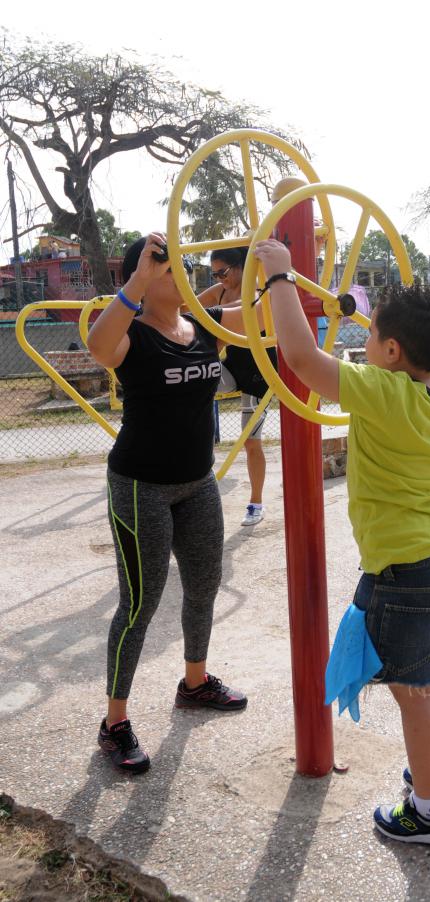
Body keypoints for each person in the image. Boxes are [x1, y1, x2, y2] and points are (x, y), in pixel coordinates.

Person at [254, 237, 430, 846]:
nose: (363, 343)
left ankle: (429, 813)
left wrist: (281, 278)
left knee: (416, 693)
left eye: (370, 335)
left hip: (408, 570)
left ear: (391, 350)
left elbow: (300, 358)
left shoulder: (380, 391)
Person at [87, 232, 256, 774]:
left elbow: (261, 316)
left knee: (204, 586)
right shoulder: (131, 334)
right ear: (144, 279)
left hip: (197, 483)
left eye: (184, 268)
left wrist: (267, 268)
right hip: (141, 486)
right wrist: (139, 277)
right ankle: (114, 723)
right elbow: (97, 346)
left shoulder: (205, 326)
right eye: (170, 270)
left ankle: (195, 682)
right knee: (140, 603)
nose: (183, 278)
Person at [198, 246, 277, 526]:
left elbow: (242, 308)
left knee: (251, 441)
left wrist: (209, 314)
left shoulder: (257, 289)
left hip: (260, 373)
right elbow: (189, 305)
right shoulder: (220, 291)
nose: (219, 279)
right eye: (214, 274)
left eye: (223, 272)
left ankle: (256, 503)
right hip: (233, 366)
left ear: (241, 266)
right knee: (196, 375)